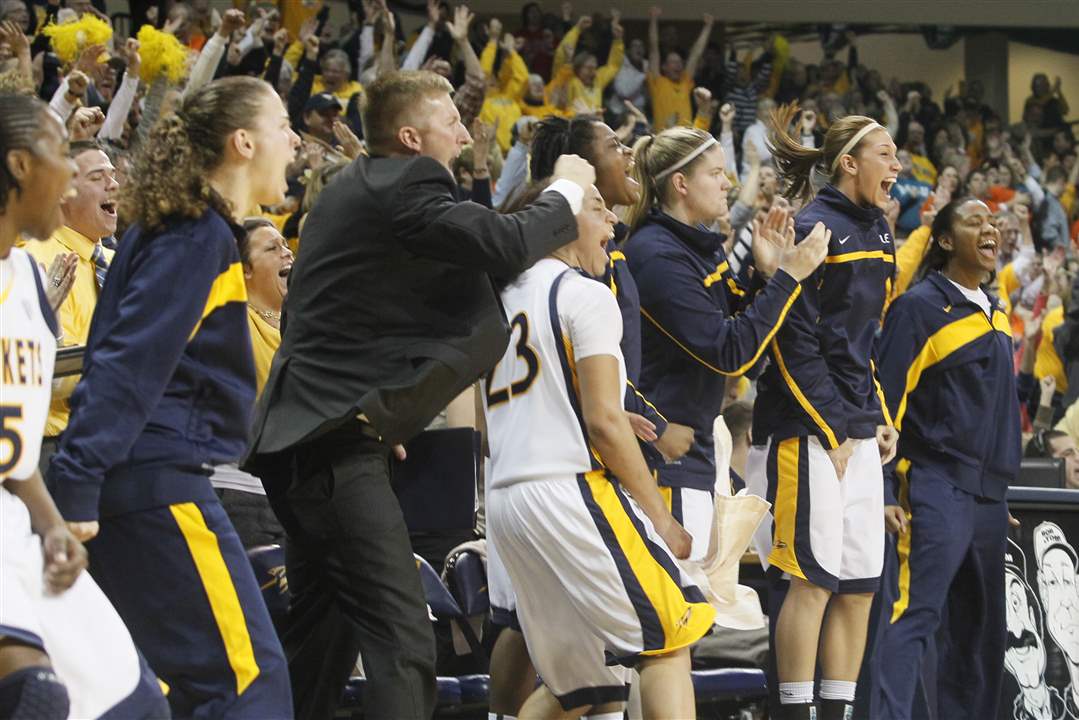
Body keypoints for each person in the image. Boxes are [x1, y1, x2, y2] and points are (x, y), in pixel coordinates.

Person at [244, 69, 594, 719]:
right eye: (450, 122)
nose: (464, 131)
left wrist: (375, 406)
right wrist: (568, 187)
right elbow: (505, 243)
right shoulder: (408, 182)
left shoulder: (355, 190)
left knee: (320, 643)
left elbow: (322, 319)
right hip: (330, 442)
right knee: (404, 638)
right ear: (411, 137)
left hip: (306, 438)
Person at [46, 76, 297, 718]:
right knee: (250, 688)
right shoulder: (195, 235)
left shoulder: (184, 228)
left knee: (156, 698)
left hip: (135, 484)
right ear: (243, 143)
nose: (294, 142)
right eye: (281, 126)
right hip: (156, 484)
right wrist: (74, 489)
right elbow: (127, 367)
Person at [483, 181, 714, 719]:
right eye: (597, 209)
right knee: (671, 635)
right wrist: (661, 518)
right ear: (557, 224)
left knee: (587, 687)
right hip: (568, 490)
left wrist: (588, 408)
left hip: (508, 502)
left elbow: (512, 412)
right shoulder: (583, 294)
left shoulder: (499, 299)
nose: (613, 222)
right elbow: (605, 425)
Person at [0, 92, 165, 720]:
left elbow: (12, 447)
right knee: (35, 695)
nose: (70, 174)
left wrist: (49, 523)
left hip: (16, 517)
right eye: (59, 155)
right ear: (19, 165)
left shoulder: (28, 292)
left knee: (135, 702)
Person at [748, 104, 902, 720]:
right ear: (850, 162)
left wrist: (876, 415)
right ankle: (793, 713)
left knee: (861, 587)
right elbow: (794, 340)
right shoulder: (814, 227)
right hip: (805, 427)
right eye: (886, 154)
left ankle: (835, 713)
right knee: (812, 581)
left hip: (855, 426)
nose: (896, 164)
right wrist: (835, 425)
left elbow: (862, 341)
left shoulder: (882, 231)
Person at [623, 125, 828, 566]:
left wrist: (765, 274)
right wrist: (789, 278)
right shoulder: (657, 255)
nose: (728, 183)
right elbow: (731, 350)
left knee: (693, 608)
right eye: (716, 173)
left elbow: (745, 354)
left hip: (692, 446)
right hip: (663, 455)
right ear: (681, 184)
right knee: (676, 614)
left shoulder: (697, 248)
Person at [871, 197, 1020, 719]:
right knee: (914, 617)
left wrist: (995, 494)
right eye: (974, 220)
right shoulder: (919, 307)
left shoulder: (998, 315)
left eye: (993, 221)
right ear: (943, 240)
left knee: (980, 637)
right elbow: (885, 404)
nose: (990, 228)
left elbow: (995, 415)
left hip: (986, 499)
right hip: (933, 484)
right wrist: (886, 490)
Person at [23, 140, 115, 468]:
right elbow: (55, 380)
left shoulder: (119, 263)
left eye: (113, 175)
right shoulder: (37, 261)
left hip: (114, 440)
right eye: (97, 177)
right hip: (52, 447)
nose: (113, 184)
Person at [210, 217, 292, 549]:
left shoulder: (298, 322)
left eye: (286, 244)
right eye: (272, 248)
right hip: (243, 494)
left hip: (290, 494)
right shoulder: (234, 319)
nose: (287, 253)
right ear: (244, 269)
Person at [646, 7, 713, 131]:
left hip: (685, 143)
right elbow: (653, 48)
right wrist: (653, 19)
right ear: (664, 67)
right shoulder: (658, 82)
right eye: (673, 62)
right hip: (663, 141)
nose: (678, 65)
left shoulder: (685, 82)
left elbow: (696, 54)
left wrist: (707, 27)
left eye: (680, 62)